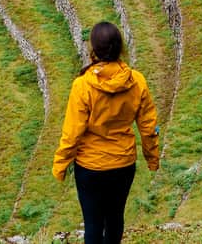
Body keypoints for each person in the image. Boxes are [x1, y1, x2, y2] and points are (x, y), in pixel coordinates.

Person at [53, 22, 159, 244]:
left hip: (91, 167)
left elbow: (72, 132)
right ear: (120, 47)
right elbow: (148, 126)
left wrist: (60, 165)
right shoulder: (136, 81)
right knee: (115, 219)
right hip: (123, 164)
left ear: (93, 49)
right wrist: (152, 158)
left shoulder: (83, 86)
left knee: (93, 224)